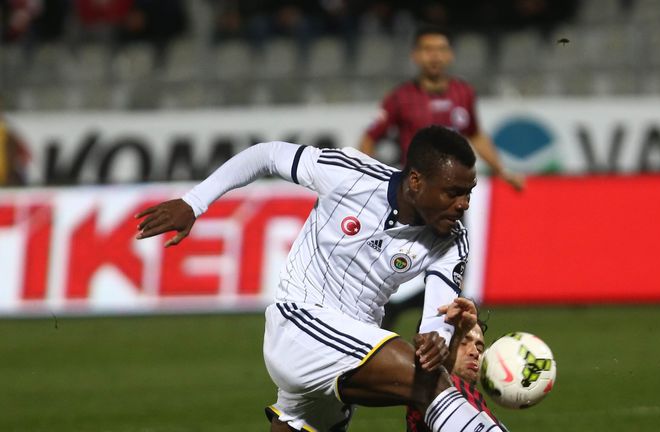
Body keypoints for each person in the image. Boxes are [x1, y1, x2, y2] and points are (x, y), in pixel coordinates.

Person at [135, 125, 505, 432]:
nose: (464, 204)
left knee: (426, 372)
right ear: (415, 181)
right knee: (427, 384)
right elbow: (265, 154)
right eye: (453, 192)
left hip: (350, 349)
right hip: (300, 324)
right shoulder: (351, 175)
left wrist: (436, 341)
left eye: (469, 193)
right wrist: (194, 203)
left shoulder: (453, 239)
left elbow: (436, 313)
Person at [358, 25, 524, 191]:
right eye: (427, 49)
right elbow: (370, 138)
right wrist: (367, 179)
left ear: (450, 55)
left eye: (441, 49)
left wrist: (503, 171)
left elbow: (475, 135)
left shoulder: (464, 93)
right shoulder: (399, 97)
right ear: (415, 55)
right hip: (416, 190)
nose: (435, 56)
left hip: (454, 190)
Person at [406, 313, 508, 431]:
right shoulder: (429, 389)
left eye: (479, 348)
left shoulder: (473, 401)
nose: (475, 352)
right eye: (463, 342)